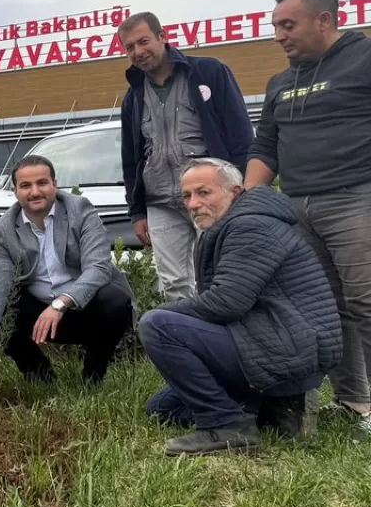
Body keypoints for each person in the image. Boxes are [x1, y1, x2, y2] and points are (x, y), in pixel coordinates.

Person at [143, 158, 342, 456]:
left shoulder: (251, 226)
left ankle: (227, 426)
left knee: (157, 325)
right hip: (270, 340)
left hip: (288, 347)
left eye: (203, 192)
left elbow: (226, 303)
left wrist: (165, 315)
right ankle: (276, 407)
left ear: (234, 192)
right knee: (162, 409)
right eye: (187, 196)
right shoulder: (232, 224)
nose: (193, 204)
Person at [246, 0, 371, 433]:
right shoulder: (279, 83)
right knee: (329, 308)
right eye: (275, 26)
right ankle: (355, 403)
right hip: (297, 206)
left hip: (356, 199)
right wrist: (250, 202)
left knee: (366, 301)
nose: (279, 35)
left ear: (324, 20)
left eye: (288, 25)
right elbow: (266, 147)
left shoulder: (363, 58)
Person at [118, 12, 254, 302]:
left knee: (221, 275)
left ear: (162, 37)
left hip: (211, 195)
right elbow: (130, 159)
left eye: (143, 41)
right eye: (130, 47)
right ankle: (185, 331)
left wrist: (242, 190)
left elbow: (241, 134)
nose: (138, 51)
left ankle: (227, 330)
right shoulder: (132, 97)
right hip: (159, 202)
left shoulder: (209, 72)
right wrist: (137, 212)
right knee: (174, 285)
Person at [0, 155, 135, 387]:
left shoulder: (80, 210)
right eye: (26, 185)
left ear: (54, 185)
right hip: (37, 314)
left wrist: (60, 304)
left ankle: (93, 376)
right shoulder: (5, 228)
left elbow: (98, 267)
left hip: (83, 309)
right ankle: (38, 371)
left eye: (42, 183)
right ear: (15, 192)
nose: (35, 192)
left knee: (116, 299)